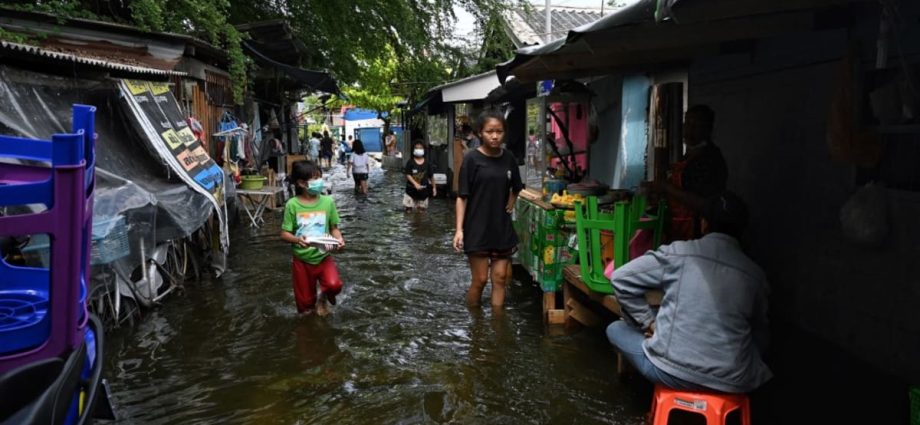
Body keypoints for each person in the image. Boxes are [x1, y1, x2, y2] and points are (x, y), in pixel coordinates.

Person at [605, 192, 772, 394]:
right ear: (742, 230)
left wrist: (650, 323)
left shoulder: (680, 253)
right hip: (734, 382)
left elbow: (621, 278)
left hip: (670, 373)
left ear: (703, 224)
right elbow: (760, 333)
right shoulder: (755, 275)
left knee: (616, 328)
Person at [452, 110, 523, 308]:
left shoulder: (508, 158)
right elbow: (462, 197)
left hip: (501, 227)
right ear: (480, 133)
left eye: (499, 131)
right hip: (477, 227)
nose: (494, 136)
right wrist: (459, 230)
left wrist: (512, 201)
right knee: (481, 280)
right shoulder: (471, 159)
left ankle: (497, 324)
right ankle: (476, 325)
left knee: (500, 279)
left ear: (504, 133)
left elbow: (517, 186)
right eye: (489, 131)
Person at [644, 105, 727, 242]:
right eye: (687, 123)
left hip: (698, 232)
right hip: (678, 229)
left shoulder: (711, 160)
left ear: (707, 129)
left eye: (696, 125)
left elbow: (705, 204)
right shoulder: (688, 156)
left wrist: (666, 187)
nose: (689, 129)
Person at [280, 161, 346, 316]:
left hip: (323, 257)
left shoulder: (328, 201)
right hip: (301, 260)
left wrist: (340, 240)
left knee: (334, 285)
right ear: (302, 183)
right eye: (315, 178)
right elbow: (284, 234)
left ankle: (323, 298)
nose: (319, 182)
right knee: (305, 308)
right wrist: (297, 240)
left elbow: (334, 228)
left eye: (319, 177)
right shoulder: (292, 205)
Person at [403, 140, 436, 212]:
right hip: (410, 191)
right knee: (408, 212)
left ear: (424, 150)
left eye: (420, 148)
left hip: (423, 192)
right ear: (413, 150)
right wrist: (415, 184)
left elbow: (431, 176)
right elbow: (408, 174)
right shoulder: (410, 162)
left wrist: (434, 188)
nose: (418, 150)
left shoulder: (428, 163)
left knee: (421, 213)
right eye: (416, 148)